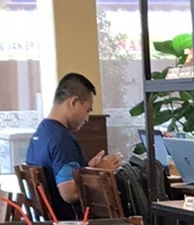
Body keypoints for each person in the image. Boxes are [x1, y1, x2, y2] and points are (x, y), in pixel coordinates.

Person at [24, 73, 122, 208]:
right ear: (73, 102)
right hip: (71, 219)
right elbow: (69, 193)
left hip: (50, 218)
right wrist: (100, 173)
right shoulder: (62, 139)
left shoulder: (41, 133)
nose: (87, 118)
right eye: (87, 110)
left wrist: (90, 169)